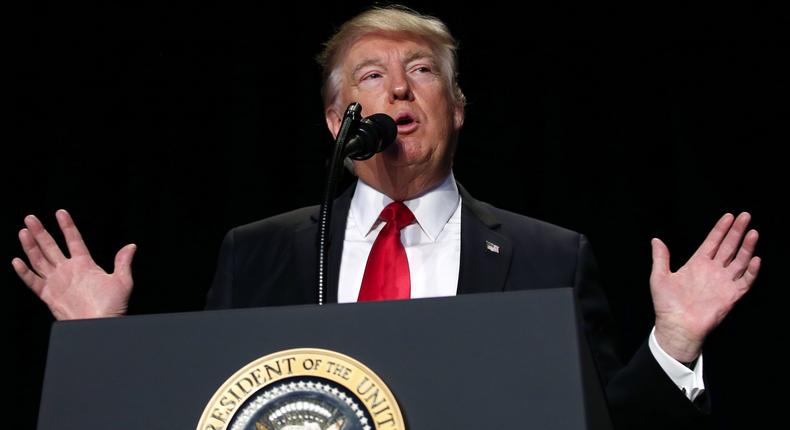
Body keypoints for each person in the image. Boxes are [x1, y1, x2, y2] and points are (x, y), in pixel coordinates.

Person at [12, 5, 760, 429]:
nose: (399, 92)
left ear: (457, 110)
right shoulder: (260, 252)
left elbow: (600, 423)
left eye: (422, 72)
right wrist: (98, 348)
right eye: (373, 77)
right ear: (338, 119)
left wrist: (673, 343)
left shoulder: (547, 255)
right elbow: (214, 406)